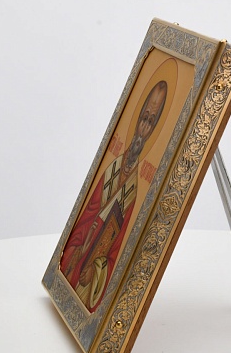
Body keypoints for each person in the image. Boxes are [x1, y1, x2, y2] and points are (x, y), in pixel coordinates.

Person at [60, 81, 167, 312]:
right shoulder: (113, 168)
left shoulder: (134, 190)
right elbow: (86, 216)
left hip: (90, 272)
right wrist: (76, 249)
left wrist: (96, 270)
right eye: (143, 118)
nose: (143, 127)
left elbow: (118, 251)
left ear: (154, 128)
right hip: (79, 255)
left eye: (151, 122)